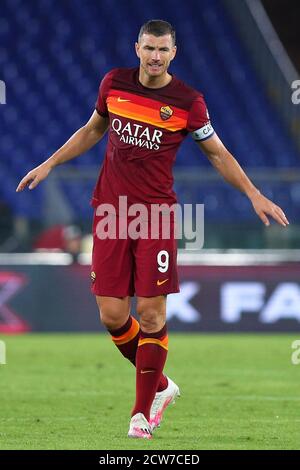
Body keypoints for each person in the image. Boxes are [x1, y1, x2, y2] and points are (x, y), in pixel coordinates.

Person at [16, 19, 289, 440]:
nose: (155, 57)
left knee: (150, 313)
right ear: (137, 48)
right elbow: (93, 129)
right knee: (111, 314)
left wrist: (254, 193)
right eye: (149, 49)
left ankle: (140, 413)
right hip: (110, 212)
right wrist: (50, 163)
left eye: (163, 50)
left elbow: (217, 154)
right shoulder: (114, 84)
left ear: (173, 53)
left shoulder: (188, 102)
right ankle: (161, 385)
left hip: (156, 216)